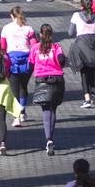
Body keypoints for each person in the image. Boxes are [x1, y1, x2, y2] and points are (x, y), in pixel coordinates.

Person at [29, 23, 67, 155]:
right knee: (53, 108)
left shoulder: (35, 48)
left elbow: (31, 63)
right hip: (57, 79)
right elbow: (61, 60)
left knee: (45, 109)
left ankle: (48, 139)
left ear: (40, 35)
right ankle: (51, 137)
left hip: (41, 80)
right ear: (51, 35)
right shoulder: (56, 47)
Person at [67, 0, 95, 109]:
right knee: (92, 68)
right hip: (93, 44)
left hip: (81, 44)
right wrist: (94, 33)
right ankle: (93, 92)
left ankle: (87, 99)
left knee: (84, 72)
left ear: (81, 5)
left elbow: (70, 33)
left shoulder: (76, 15)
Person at [0, 6, 36, 123]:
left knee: (14, 89)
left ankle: (17, 116)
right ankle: (22, 111)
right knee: (23, 86)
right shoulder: (29, 29)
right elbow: (34, 45)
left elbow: (3, 47)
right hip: (27, 61)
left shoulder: (6, 28)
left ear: (12, 16)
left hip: (12, 61)